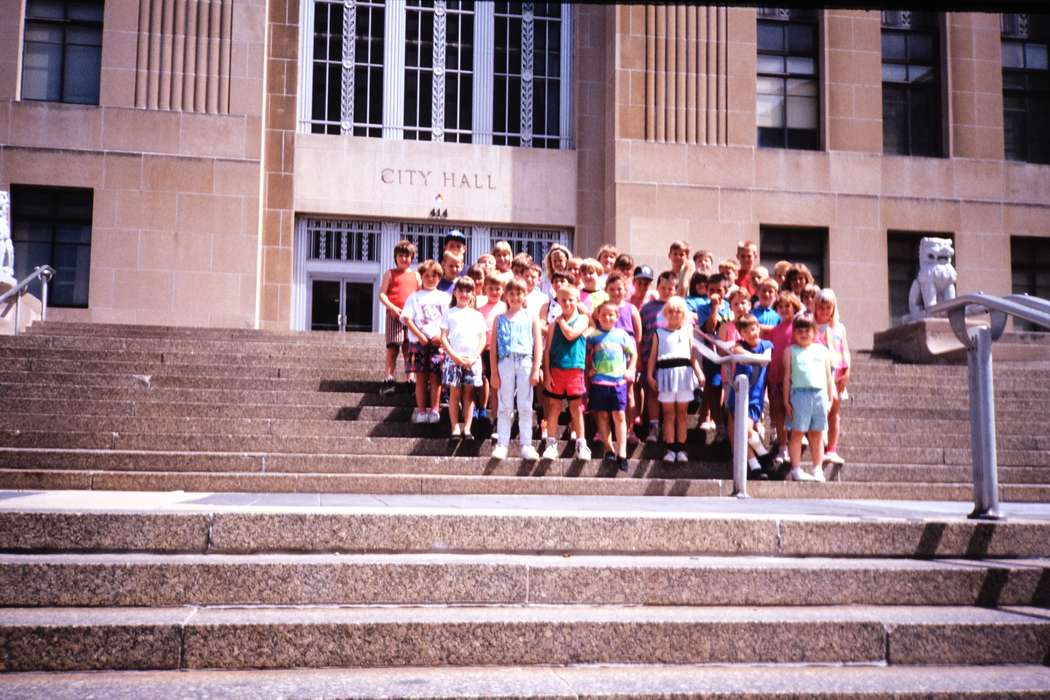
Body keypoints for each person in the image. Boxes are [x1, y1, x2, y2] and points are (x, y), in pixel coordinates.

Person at [490, 278, 542, 460]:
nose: (515, 297)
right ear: (506, 296)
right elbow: (493, 347)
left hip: (525, 361)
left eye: (519, 293)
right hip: (505, 362)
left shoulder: (531, 316)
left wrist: (536, 368)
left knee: (525, 404)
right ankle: (502, 444)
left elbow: (538, 345)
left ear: (525, 295)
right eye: (511, 293)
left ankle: (526, 444)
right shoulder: (499, 319)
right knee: (505, 405)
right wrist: (494, 372)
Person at [646, 296, 700, 463]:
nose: (674, 314)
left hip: (684, 374)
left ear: (683, 314)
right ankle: (670, 448)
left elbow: (693, 357)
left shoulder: (688, 331)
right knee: (668, 413)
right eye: (671, 311)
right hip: (665, 375)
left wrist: (699, 374)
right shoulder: (659, 333)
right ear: (665, 313)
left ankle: (681, 448)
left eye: (678, 311)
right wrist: (650, 375)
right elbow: (653, 357)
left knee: (682, 413)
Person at [783, 313, 834, 482]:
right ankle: (796, 469)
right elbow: (787, 377)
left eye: (807, 330)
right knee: (797, 432)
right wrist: (786, 400)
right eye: (799, 331)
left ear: (814, 331)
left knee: (817, 434)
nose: (803, 334)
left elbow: (828, 377)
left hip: (820, 395)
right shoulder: (790, 351)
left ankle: (818, 468)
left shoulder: (823, 350)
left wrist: (830, 398)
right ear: (794, 332)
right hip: (799, 395)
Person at [542, 285, 591, 461]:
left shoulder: (583, 319)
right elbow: (547, 351)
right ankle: (551, 444)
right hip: (556, 369)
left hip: (575, 370)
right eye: (563, 300)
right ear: (558, 302)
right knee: (554, 407)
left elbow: (571, 334)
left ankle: (581, 444)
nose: (567, 303)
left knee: (576, 408)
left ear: (577, 301)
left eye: (571, 299)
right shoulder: (553, 325)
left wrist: (560, 321)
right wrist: (547, 374)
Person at [400, 260, 452, 424]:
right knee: (421, 378)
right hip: (419, 343)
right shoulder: (414, 297)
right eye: (427, 276)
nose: (430, 279)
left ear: (439, 277)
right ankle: (421, 410)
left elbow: (450, 321)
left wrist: (441, 338)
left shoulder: (445, 297)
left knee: (436, 377)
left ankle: (435, 409)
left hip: (438, 343)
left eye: (434, 276)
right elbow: (407, 318)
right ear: (421, 277)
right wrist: (420, 335)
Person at [587, 301, 637, 472]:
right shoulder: (593, 335)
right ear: (598, 316)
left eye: (611, 315)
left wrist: (630, 369)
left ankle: (622, 452)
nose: (607, 318)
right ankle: (608, 448)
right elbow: (585, 353)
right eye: (603, 315)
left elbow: (633, 354)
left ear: (617, 317)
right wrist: (589, 368)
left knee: (619, 415)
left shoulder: (622, 335)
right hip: (599, 381)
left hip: (618, 382)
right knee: (602, 415)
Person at [725, 315, 773, 479]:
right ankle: (755, 465)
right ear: (741, 334)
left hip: (754, 396)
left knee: (745, 429)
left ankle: (763, 454)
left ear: (758, 328)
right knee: (739, 432)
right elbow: (737, 351)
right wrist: (750, 357)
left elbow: (765, 359)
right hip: (738, 394)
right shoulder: (739, 345)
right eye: (745, 331)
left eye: (753, 329)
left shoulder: (766, 345)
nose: (751, 333)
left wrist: (749, 358)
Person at [440, 277, 486, 440]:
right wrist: (454, 356)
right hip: (453, 358)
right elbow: (443, 337)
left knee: (469, 394)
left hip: (472, 359)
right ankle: (454, 427)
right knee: (454, 393)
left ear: (473, 294)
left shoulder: (477, 315)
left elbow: (482, 338)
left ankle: (467, 428)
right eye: (461, 290)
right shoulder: (449, 313)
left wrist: (474, 356)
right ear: (455, 292)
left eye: (468, 291)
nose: (464, 294)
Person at [765, 291, 803, 466]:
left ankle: (794, 444)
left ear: (794, 307)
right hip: (775, 375)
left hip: (794, 377)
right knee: (778, 412)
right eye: (780, 307)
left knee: (793, 413)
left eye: (787, 306)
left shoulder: (798, 328)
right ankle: (782, 446)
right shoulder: (775, 330)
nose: (784, 309)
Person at [377, 239, 420, 394]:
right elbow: (382, 294)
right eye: (401, 255)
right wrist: (392, 307)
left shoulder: (416, 276)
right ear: (395, 257)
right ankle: (389, 378)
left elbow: (420, 296)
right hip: (394, 315)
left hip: (411, 318)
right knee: (393, 347)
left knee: (410, 349)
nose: (404, 258)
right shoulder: (390, 273)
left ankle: (411, 378)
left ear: (412, 258)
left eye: (407, 256)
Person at [814, 288, 851, 468]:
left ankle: (832, 449)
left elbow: (845, 350)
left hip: (836, 373)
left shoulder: (839, 327)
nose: (824, 311)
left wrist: (847, 372)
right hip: (819, 374)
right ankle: (819, 447)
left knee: (834, 413)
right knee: (821, 411)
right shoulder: (812, 326)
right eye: (821, 307)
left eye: (828, 307)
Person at [604, 272, 643, 443]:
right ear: (606, 290)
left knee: (628, 394)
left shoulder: (631, 309)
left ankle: (629, 430)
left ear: (625, 290)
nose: (615, 292)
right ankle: (606, 431)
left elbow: (638, 337)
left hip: (627, 358)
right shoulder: (603, 309)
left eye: (619, 289)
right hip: (608, 358)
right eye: (612, 289)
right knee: (607, 393)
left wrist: (636, 361)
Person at [639, 270, 677, 442]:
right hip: (650, 358)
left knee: (670, 394)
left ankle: (670, 429)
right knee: (653, 392)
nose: (667, 291)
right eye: (663, 288)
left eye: (670, 288)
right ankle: (654, 426)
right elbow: (641, 334)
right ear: (658, 288)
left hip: (673, 359)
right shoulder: (647, 308)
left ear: (675, 289)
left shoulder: (679, 307)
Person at [477, 272, 509, 427]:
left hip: (502, 352)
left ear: (503, 290)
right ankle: (487, 411)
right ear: (485, 289)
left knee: (500, 385)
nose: (494, 292)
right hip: (485, 350)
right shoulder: (479, 309)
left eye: (498, 289)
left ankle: (500, 417)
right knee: (486, 381)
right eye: (491, 288)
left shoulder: (506, 308)